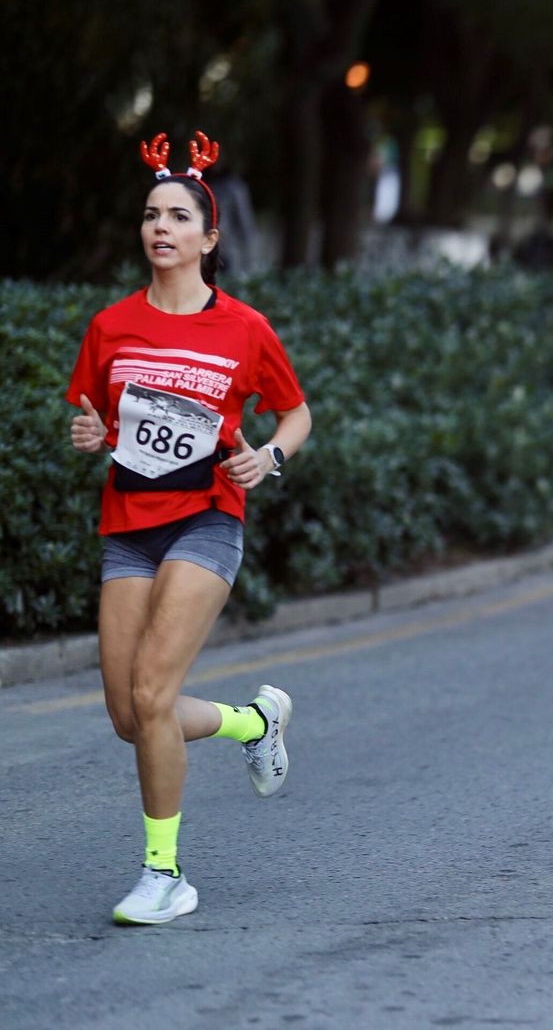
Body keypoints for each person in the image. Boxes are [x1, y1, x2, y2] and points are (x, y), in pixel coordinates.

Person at [66, 132, 312, 925]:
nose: (160, 228)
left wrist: (268, 456)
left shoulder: (243, 328)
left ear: (209, 237)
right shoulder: (110, 326)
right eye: (150, 215)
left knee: (153, 690)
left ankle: (164, 873)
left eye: (178, 216)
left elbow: (296, 412)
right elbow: (96, 418)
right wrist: (87, 433)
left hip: (207, 519)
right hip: (128, 525)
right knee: (129, 716)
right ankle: (254, 720)